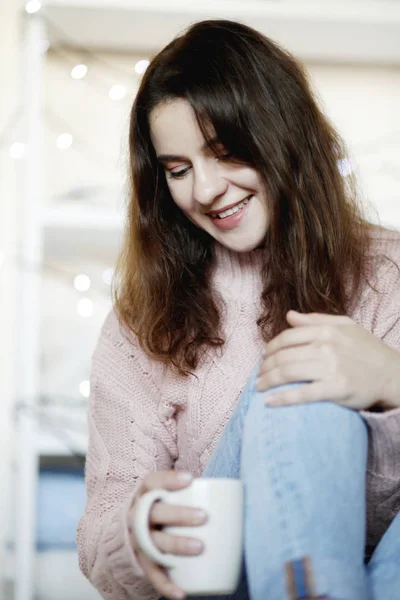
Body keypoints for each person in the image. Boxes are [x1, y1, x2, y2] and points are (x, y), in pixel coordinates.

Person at [77, 19, 400, 600]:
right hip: (224, 581)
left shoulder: (390, 274)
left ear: (283, 137)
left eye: (225, 153)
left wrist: (394, 382)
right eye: (178, 169)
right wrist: (137, 529)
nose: (203, 190)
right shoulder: (140, 320)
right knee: (302, 365)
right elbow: (100, 528)